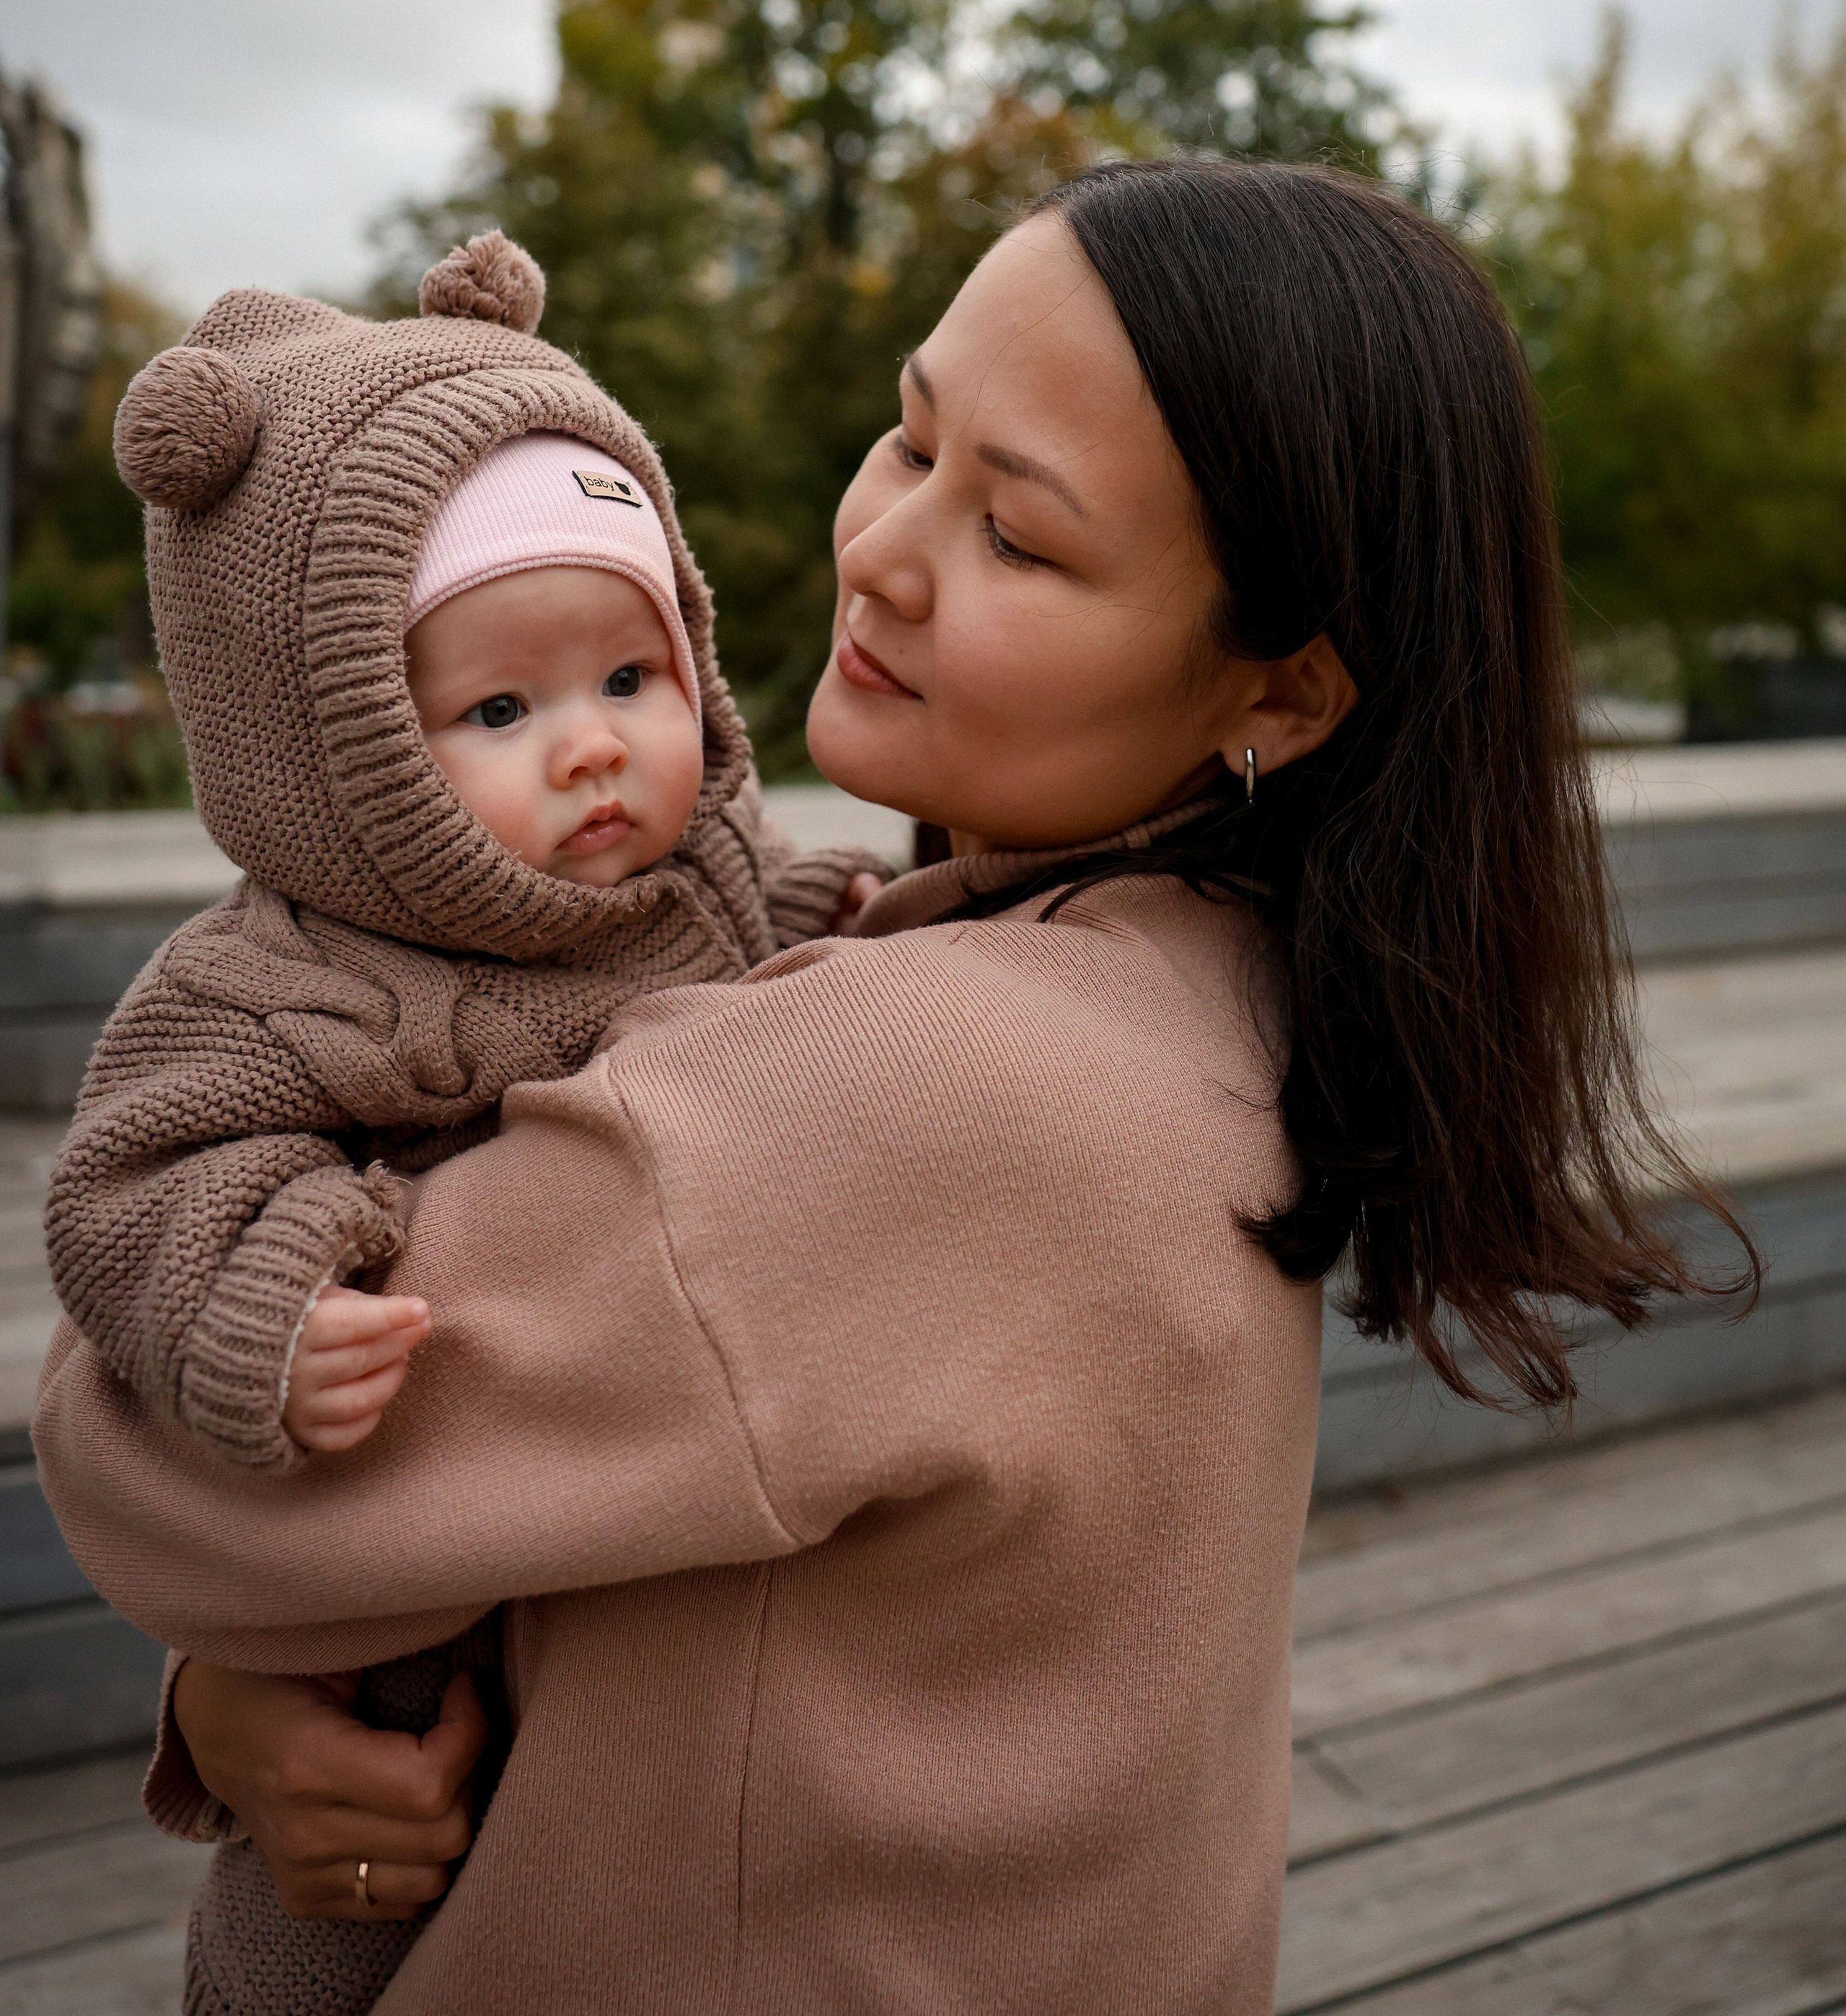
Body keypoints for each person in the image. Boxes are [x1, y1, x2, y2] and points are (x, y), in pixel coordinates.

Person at [35, 160, 1745, 2016]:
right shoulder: (1217, 981)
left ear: (1281, 695)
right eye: (908, 435)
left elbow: (185, 1490)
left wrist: (228, 1678)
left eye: (1016, 536)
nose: (880, 546)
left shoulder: (904, 1093)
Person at [40, 228, 879, 2014]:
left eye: (628, 680)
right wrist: (264, 1299)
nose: (592, 748)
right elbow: (133, 1175)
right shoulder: (290, 980)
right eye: (497, 709)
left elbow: (744, 934)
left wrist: (823, 927)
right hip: (403, 1637)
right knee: (346, 1909)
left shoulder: (706, 858)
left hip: (661, 1623)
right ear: (324, 750)